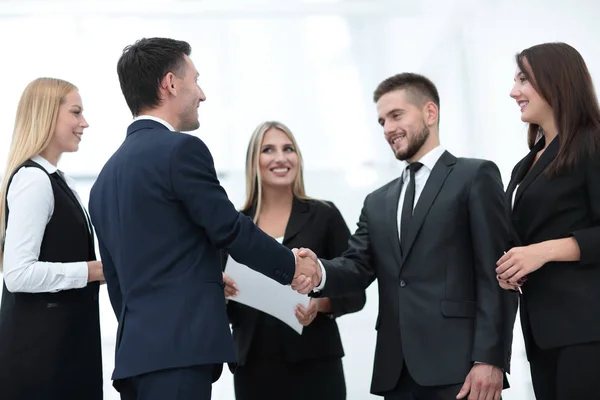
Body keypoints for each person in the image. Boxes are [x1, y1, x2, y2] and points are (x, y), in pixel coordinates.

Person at [88, 38, 318, 400]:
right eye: (196, 80)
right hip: (180, 352)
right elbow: (228, 227)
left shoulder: (104, 178)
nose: (203, 94)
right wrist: (292, 265)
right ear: (170, 84)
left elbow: (118, 277)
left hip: (137, 356)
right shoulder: (181, 150)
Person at [297, 73, 518, 400]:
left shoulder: (475, 176)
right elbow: (357, 265)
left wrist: (490, 358)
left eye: (396, 115)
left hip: (461, 369)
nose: (387, 128)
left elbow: (497, 274)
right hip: (396, 372)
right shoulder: (377, 201)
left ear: (430, 113)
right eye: (382, 121)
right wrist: (321, 271)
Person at [223, 121, 366, 400]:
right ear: (254, 161)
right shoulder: (233, 225)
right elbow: (223, 306)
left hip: (314, 364)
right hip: (253, 367)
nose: (280, 157)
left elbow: (355, 289)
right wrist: (222, 293)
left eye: (288, 149)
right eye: (268, 150)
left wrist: (320, 304)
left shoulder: (324, 215)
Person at [496, 42, 600, 399]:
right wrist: (512, 265)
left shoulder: (593, 144)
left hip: (588, 329)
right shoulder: (526, 164)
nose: (514, 91)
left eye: (523, 79)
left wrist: (542, 252)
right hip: (543, 330)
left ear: (556, 80)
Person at [0, 77, 104, 400]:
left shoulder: (58, 181)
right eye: (76, 112)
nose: (84, 123)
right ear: (47, 115)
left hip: (61, 356)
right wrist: (91, 271)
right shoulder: (34, 180)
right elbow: (17, 274)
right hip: (43, 365)